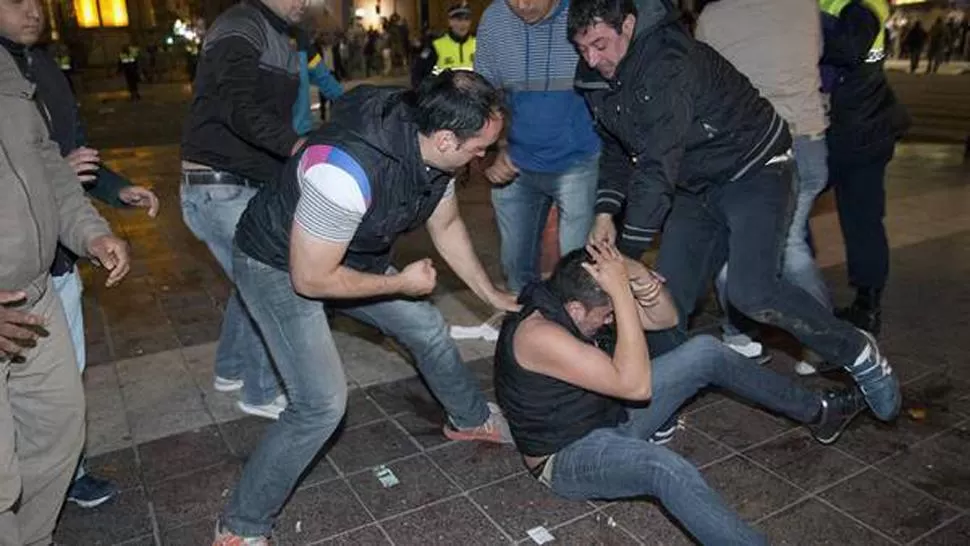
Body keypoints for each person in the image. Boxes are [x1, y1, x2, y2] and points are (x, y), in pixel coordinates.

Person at [215, 70, 517, 544]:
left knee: (428, 328)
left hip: (350, 251)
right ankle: (240, 526)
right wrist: (400, 283)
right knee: (321, 404)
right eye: (479, 147)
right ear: (443, 139)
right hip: (276, 263)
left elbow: (448, 224)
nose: (485, 157)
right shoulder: (346, 170)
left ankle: (469, 418)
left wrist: (490, 294)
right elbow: (311, 278)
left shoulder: (432, 147)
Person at [570, 0, 901, 423]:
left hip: (755, 169)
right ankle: (654, 410)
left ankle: (858, 352)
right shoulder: (596, 76)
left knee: (752, 291)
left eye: (600, 44)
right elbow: (619, 148)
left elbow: (655, 166)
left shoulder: (667, 60)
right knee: (667, 298)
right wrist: (604, 212)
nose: (593, 60)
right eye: (582, 49)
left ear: (629, 25)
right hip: (695, 185)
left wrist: (627, 256)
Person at [495, 245, 867, 546]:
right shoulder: (538, 334)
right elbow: (636, 387)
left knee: (705, 351)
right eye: (605, 314)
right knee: (665, 469)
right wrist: (622, 299)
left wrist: (636, 276)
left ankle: (819, 413)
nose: (609, 321)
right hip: (566, 456)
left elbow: (665, 319)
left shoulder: (582, 306)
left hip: (611, 416)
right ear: (575, 308)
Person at [0, 0, 160, 509]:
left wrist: (112, 196)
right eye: (15, 1)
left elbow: (62, 157)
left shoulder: (39, 67)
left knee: (61, 405)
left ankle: (66, 478)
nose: (33, 11)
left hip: (52, 268)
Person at [181, 0, 309, 421]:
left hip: (240, 185)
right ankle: (260, 391)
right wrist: (294, 146)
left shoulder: (279, 35)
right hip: (219, 187)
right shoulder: (241, 25)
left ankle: (230, 369)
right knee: (270, 283)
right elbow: (237, 104)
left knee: (249, 279)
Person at [695, 0, 830, 372]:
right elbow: (815, 54)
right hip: (807, 140)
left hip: (747, 148)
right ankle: (820, 345)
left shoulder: (714, 17)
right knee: (791, 245)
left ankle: (739, 336)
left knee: (734, 246)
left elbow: (702, 76)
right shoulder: (804, 6)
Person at [476, 0, 601, 294]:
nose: (521, 5)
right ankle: (530, 328)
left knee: (577, 270)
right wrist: (497, 148)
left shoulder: (584, 13)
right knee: (515, 267)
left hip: (579, 163)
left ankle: (576, 331)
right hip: (516, 165)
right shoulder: (495, 20)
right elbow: (483, 96)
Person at [820, 0, 909, 336]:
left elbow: (850, 49)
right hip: (860, 126)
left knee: (859, 218)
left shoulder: (861, 6)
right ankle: (864, 303)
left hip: (857, 131)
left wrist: (806, 34)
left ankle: (866, 305)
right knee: (859, 218)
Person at [413, 3, 475, 81]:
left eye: (467, 19)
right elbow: (418, 75)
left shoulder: (479, 44)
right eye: (459, 20)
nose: (463, 24)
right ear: (450, 22)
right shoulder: (436, 46)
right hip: (445, 92)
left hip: (475, 92)